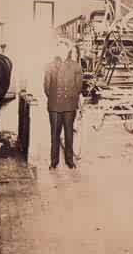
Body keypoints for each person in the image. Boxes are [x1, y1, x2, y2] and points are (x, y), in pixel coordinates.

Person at [44, 41, 82, 170]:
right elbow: (47, 88)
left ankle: (69, 161)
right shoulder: (50, 66)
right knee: (54, 134)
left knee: (69, 134)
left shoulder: (76, 66)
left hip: (70, 106)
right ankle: (54, 162)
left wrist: (71, 98)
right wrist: (55, 98)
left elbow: (78, 87)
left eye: (64, 49)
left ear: (68, 51)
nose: (61, 51)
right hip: (54, 106)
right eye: (59, 48)